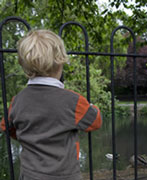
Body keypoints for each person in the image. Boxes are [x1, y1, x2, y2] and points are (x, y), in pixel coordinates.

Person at [0, 30, 102, 180]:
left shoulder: (18, 101)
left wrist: (27, 136)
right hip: (65, 176)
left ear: (25, 66)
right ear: (60, 62)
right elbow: (95, 122)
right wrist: (93, 107)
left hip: (30, 174)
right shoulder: (72, 101)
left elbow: (6, 127)